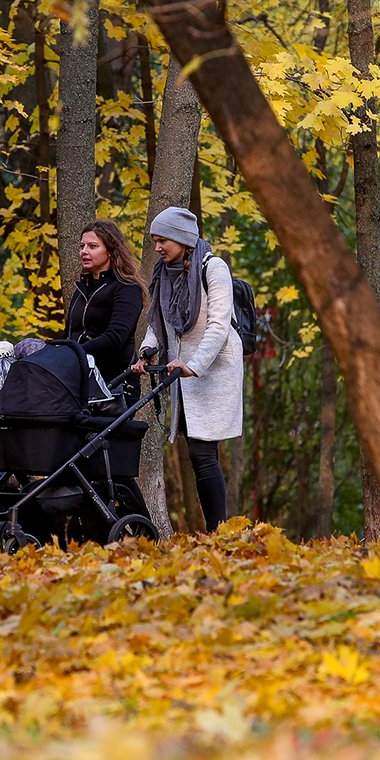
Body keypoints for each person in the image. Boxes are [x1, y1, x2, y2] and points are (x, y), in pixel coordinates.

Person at [132, 206, 243, 532]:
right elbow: (159, 319)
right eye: (154, 240)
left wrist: (195, 366)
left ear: (182, 239)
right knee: (200, 453)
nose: (157, 247)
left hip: (214, 369)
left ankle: (217, 532)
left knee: (202, 452)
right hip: (182, 367)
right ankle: (218, 530)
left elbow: (220, 325)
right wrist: (148, 349)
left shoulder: (214, 268)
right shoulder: (164, 272)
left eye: (162, 239)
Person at [65, 218, 145, 383]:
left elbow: (115, 337)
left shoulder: (127, 288)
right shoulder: (81, 290)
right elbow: (70, 333)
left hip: (115, 382)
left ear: (110, 250)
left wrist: (73, 353)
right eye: (82, 246)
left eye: (92, 246)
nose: (84, 252)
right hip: (77, 377)